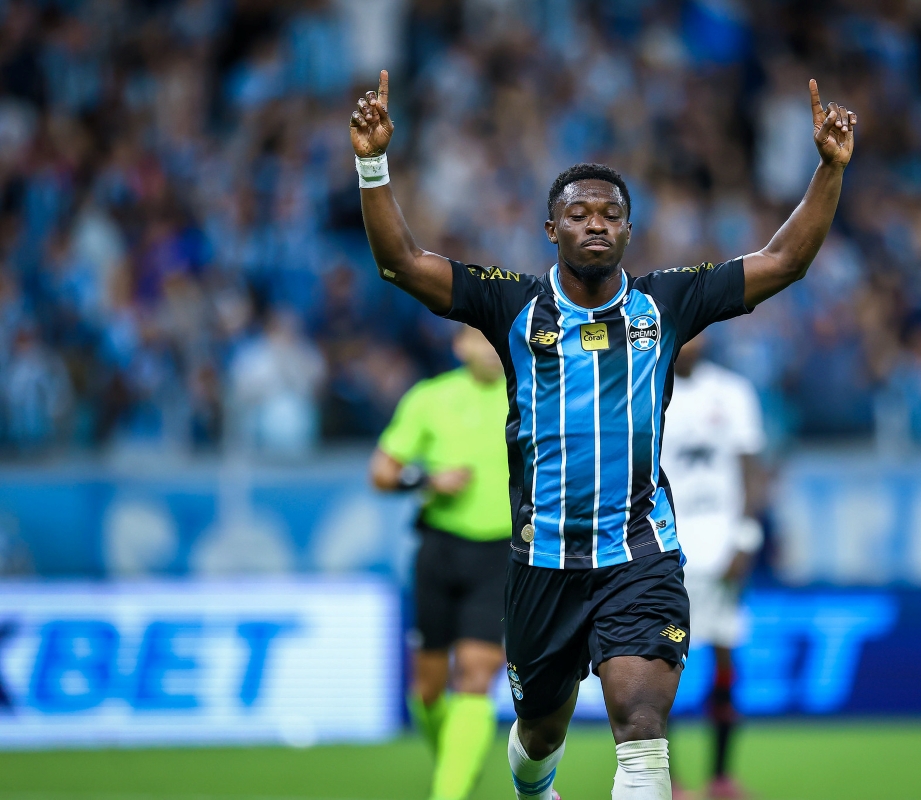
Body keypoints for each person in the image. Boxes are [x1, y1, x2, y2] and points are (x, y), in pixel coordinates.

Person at [351, 69, 856, 800]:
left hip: (640, 554)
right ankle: (536, 787)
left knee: (641, 724)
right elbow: (400, 263)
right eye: (579, 213)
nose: (595, 223)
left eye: (610, 214)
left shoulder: (666, 302)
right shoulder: (511, 305)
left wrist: (829, 169)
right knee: (538, 735)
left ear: (628, 230)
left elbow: (785, 261)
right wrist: (373, 163)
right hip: (543, 560)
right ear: (550, 229)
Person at [370, 324, 511, 800]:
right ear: (459, 345)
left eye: (496, 338)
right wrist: (426, 479)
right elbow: (382, 472)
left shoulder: (532, 393)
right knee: (427, 691)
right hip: (440, 550)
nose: (490, 349)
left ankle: (448, 791)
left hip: (502, 554)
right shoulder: (429, 398)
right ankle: (457, 761)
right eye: (479, 339)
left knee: (477, 673)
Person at [659, 333, 765, 799]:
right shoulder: (646, 389)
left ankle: (721, 776)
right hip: (667, 549)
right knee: (660, 666)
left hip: (722, 549)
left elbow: (752, 472)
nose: (693, 340)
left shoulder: (733, 392)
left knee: (724, 657)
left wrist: (745, 537)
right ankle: (668, 779)